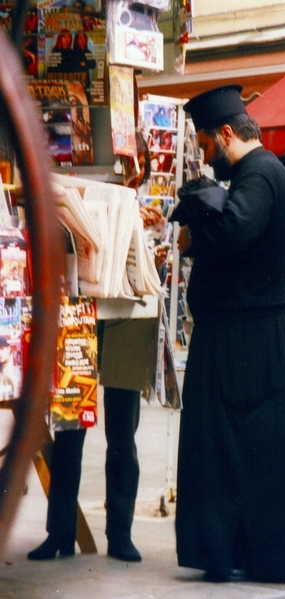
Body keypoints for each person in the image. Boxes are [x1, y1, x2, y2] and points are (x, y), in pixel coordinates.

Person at [172, 85, 285, 583]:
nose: (206, 158)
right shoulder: (263, 173)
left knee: (232, 448)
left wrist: (196, 207)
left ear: (227, 134)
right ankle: (236, 549)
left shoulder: (258, 174)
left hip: (247, 341)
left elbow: (235, 228)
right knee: (238, 449)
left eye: (206, 145)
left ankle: (241, 550)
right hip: (247, 336)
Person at [27, 133, 164, 562]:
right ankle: (60, 532)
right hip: (82, 313)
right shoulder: (78, 190)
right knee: (70, 423)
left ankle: (119, 533)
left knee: (123, 432)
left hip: (126, 316)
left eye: (133, 161)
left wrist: (150, 234)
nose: (129, 168)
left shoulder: (146, 207)